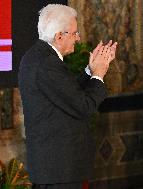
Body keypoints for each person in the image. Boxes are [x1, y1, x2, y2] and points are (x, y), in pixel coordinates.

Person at [18, 4, 117, 189]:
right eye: (74, 33)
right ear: (59, 36)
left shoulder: (38, 57)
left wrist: (89, 70)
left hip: (53, 167)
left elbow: (67, 94)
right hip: (59, 167)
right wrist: (99, 74)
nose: (78, 38)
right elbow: (84, 106)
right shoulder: (47, 63)